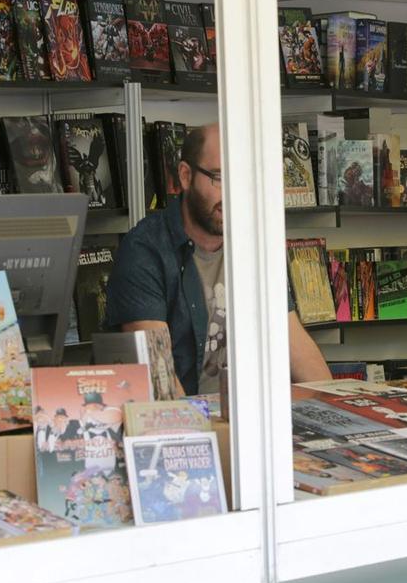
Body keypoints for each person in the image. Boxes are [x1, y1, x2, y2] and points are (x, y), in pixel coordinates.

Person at [105, 124, 331, 396]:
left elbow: (299, 350)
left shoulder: (256, 246)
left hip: (247, 418)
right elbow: (161, 382)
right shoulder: (144, 251)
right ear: (186, 176)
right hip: (183, 422)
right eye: (220, 178)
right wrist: (210, 435)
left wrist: (338, 408)